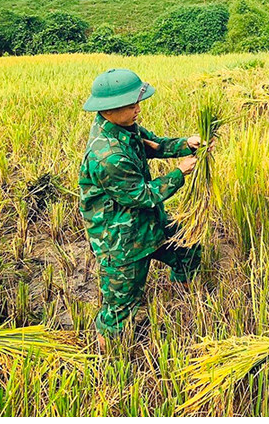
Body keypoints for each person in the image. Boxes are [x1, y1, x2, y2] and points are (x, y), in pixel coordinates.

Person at [76, 69, 205, 346]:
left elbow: (155, 145)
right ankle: (110, 355)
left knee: (188, 247)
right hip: (121, 240)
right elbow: (142, 195)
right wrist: (179, 173)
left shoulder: (125, 128)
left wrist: (187, 144)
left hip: (147, 222)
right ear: (108, 110)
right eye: (131, 105)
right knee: (120, 308)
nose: (138, 109)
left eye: (138, 102)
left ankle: (182, 294)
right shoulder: (108, 156)